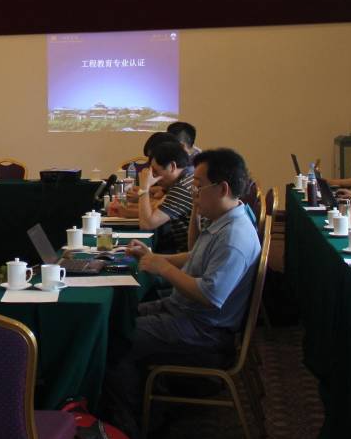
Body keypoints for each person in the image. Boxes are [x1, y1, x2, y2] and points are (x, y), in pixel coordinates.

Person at [103, 148, 261, 438]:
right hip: (185, 312)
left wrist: (162, 267)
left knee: (116, 339)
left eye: (199, 186)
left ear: (223, 189)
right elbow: (194, 256)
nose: (193, 193)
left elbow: (210, 295)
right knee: (117, 318)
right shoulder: (226, 219)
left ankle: (129, 426)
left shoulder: (234, 236)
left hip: (204, 331)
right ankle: (149, 403)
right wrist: (153, 256)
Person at [137, 141, 195, 253]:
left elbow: (147, 224)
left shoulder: (183, 187)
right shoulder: (189, 177)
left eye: (155, 172)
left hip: (189, 258)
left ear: (172, 166)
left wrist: (144, 187)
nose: (153, 177)